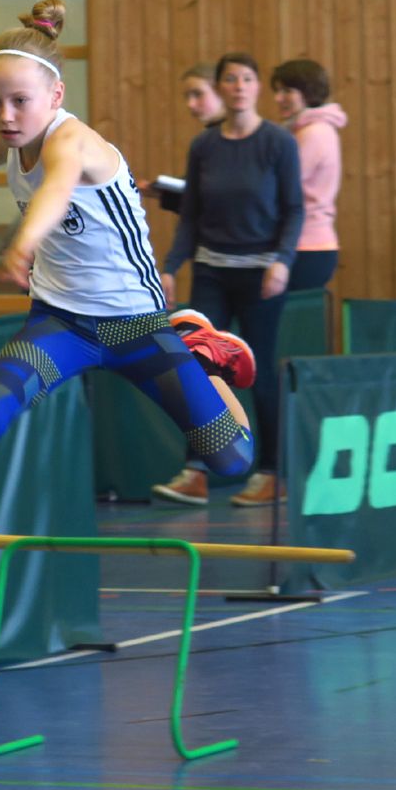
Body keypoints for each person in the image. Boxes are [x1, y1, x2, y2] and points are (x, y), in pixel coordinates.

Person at [0, 0, 257, 616]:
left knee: (232, 458)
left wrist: (24, 240)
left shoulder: (73, 141)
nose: (5, 116)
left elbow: (58, 186)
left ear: (57, 95)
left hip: (134, 323)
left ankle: (199, 352)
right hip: (61, 322)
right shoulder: (13, 136)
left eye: (19, 101)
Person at [153, 52, 304, 508]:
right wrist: (170, 266)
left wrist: (282, 261)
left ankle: (272, 473)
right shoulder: (205, 146)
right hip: (211, 273)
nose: (239, 86)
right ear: (221, 88)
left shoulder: (278, 143)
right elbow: (191, 216)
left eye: (247, 79)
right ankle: (196, 472)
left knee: (259, 372)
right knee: (197, 367)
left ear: (257, 88)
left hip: (260, 276)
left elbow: (294, 209)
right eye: (231, 79)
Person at [271, 58, 346, 292]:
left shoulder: (314, 133)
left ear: (309, 92)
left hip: (307, 245)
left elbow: (280, 184)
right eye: (277, 91)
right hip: (303, 244)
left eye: (287, 91)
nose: (278, 98)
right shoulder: (304, 131)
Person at [140, 63, 226, 213]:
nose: (190, 104)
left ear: (221, 92)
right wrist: (161, 193)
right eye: (187, 97)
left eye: (198, 94)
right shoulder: (207, 138)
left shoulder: (230, 138)